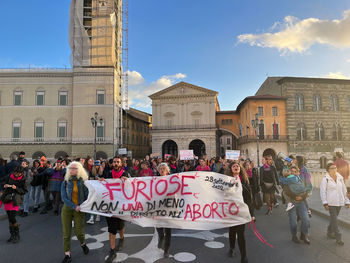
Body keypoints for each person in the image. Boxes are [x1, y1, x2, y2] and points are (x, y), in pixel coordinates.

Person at [100, 156, 128, 263]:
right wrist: (101, 181)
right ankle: (112, 250)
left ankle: (121, 238)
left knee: (120, 226)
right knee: (112, 229)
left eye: (118, 162)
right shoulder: (107, 174)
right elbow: (101, 183)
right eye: (114, 162)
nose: (116, 163)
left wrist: (128, 181)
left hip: (121, 206)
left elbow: (133, 186)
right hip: (110, 206)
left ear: (121, 164)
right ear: (112, 164)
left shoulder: (126, 174)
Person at [60, 161, 89, 263]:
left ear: (79, 170)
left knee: (78, 232)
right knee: (66, 233)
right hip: (67, 209)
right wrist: (74, 206)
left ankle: (83, 243)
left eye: (74, 168)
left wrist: (83, 206)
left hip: (79, 209)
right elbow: (63, 197)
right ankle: (67, 255)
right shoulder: (66, 181)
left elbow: (87, 196)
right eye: (70, 168)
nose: (72, 170)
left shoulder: (83, 182)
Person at [226, 161, 254, 263]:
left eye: (237, 166)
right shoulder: (226, 181)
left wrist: (252, 214)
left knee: (241, 234)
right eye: (234, 166)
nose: (236, 167)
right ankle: (232, 248)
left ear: (240, 169)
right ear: (231, 169)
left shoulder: (245, 181)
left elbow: (249, 199)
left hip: (241, 212)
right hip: (231, 211)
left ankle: (244, 256)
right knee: (232, 231)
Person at [320, 163, 350, 245]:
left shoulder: (340, 177)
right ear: (328, 170)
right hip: (331, 202)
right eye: (331, 168)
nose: (334, 169)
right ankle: (338, 237)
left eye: (335, 168)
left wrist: (347, 201)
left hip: (339, 202)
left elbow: (344, 190)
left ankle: (329, 232)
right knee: (335, 220)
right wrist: (325, 203)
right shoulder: (325, 179)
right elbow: (322, 192)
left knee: (334, 218)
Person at [0, 166, 27, 243]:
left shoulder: (23, 179)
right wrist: (5, 185)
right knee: (9, 218)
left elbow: (24, 191)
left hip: (16, 199)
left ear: (21, 173)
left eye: (17, 173)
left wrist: (16, 188)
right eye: (15, 172)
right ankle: (12, 235)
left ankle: (17, 235)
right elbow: (2, 181)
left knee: (12, 217)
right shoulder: (10, 175)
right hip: (8, 198)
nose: (15, 174)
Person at [156, 163, 172, 258]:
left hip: (169, 207)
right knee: (158, 226)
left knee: (168, 230)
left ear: (167, 171)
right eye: (160, 169)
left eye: (164, 169)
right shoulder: (154, 180)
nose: (162, 170)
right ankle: (161, 237)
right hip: (158, 207)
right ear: (158, 171)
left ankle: (166, 250)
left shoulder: (171, 180)